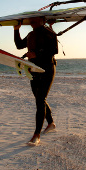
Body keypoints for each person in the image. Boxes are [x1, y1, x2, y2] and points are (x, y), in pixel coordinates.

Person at [14, 17, 58, 146]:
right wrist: (16, 30)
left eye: (35, 20)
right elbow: (19, 45)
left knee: (40, 99)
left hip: (47, 69)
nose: (32, 21)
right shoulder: (31, 34)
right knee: (39, 98)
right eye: (31, 20)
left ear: (42, 21)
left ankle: (36, 135)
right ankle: (50, 123)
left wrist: (37, 54)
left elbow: (54, 50)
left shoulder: (49, 33)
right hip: (33, 69)